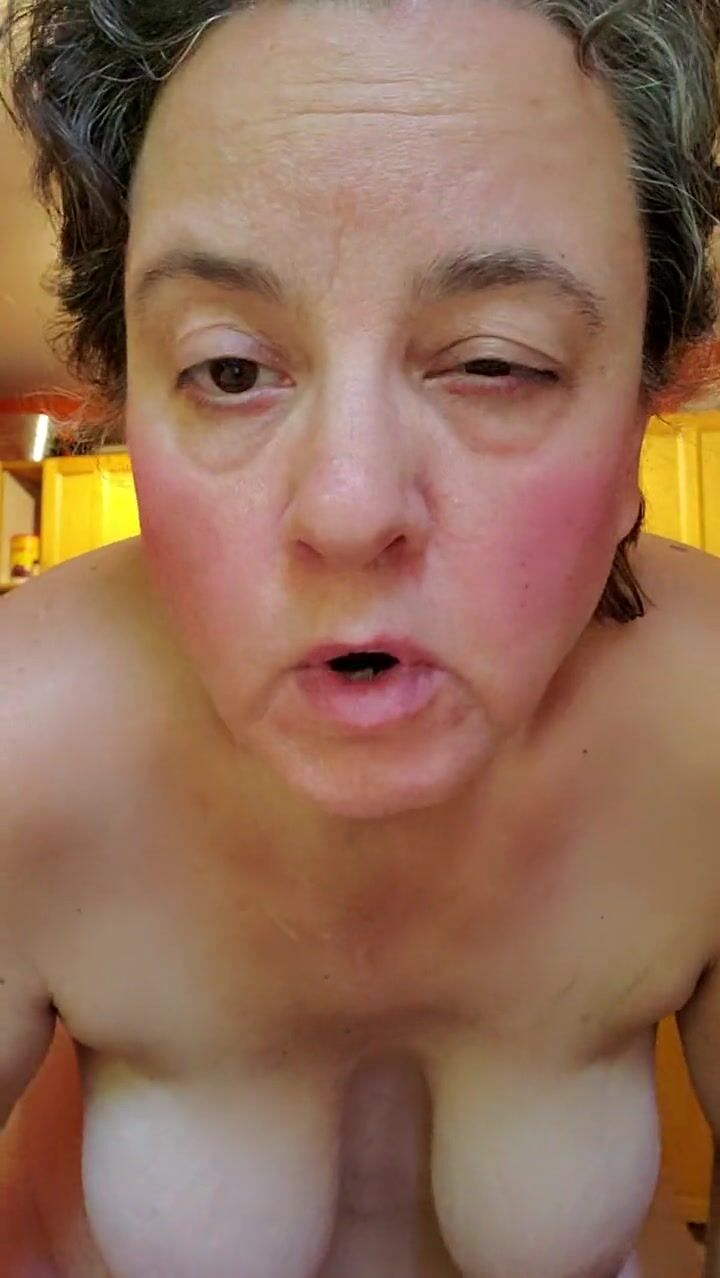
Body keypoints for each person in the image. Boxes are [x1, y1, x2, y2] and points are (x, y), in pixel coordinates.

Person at [0, 0, 719, 1274]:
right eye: (230, 370)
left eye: (495, 363)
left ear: (641, 417)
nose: (347, 506)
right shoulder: (22, 739)